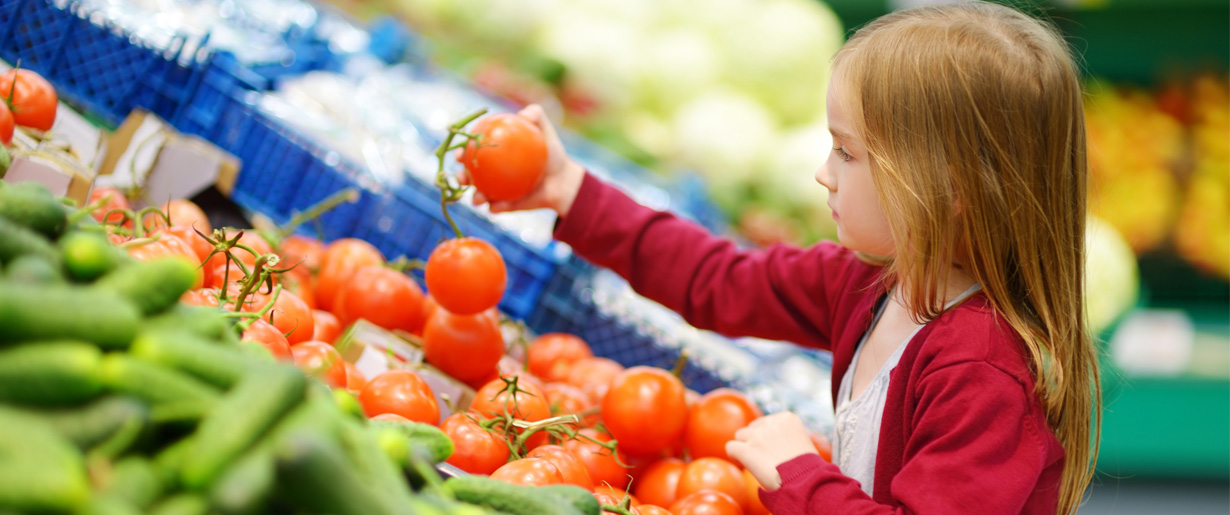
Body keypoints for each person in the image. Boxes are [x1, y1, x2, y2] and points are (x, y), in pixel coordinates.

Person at [461, 2, 1100, 513]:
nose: (823, 175)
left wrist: (802, 476)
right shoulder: (871, 283)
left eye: (847, 154)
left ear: (949, 188)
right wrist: (572, 191)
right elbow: (716, 279)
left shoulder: (983, 374)